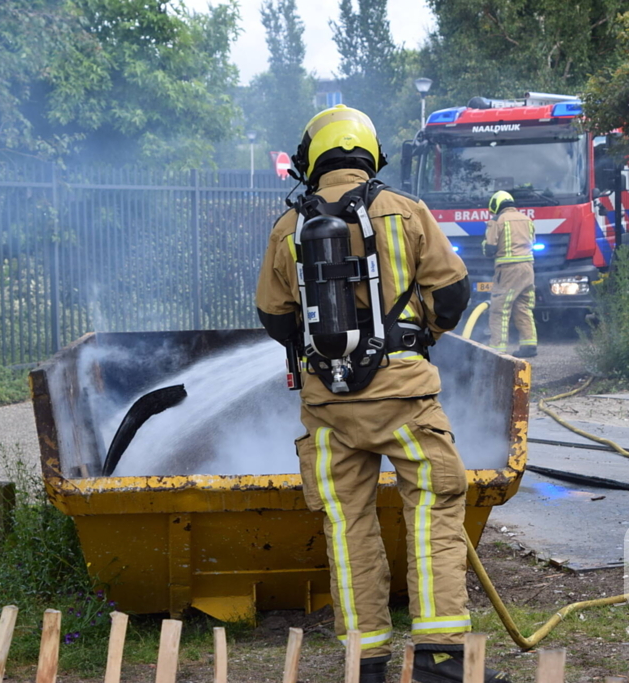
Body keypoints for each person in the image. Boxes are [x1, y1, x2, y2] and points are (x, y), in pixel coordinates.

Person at [256, 105, 509, 683]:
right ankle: (441, 660)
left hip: (328, 407)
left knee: (346, 526)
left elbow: (275, 318)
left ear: (311, 160)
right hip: (405, 398)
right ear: (369, 153)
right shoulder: (404, 210)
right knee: (433, 510)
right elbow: (452, 292)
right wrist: (416, 337)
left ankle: (363, 662)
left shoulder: (288, 227)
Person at [483, 191, 537, 357]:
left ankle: (497, 349)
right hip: (528, 269)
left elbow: (490, 249)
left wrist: (484, 244)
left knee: (500, 308)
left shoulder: (497, 220)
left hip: (508, 270)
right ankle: (529, 345)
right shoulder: (527, 219)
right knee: (523, 307)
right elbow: (533, 242)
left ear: (496, 205)